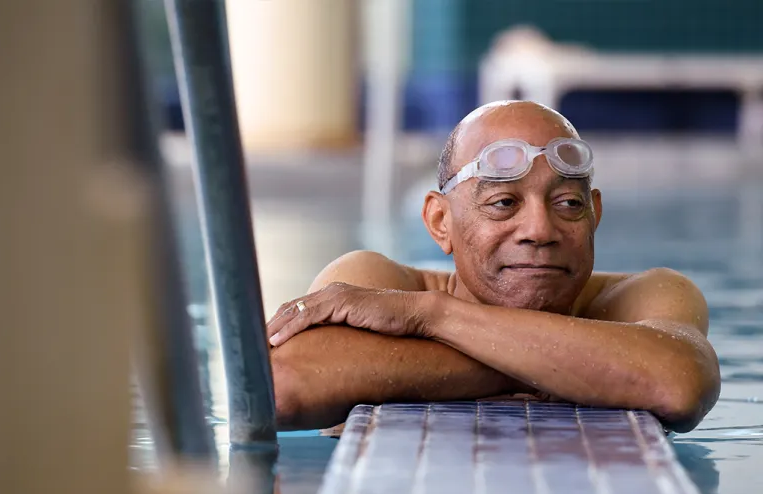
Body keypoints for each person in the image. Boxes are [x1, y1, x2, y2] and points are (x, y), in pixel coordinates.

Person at [266, 100, 720, 433]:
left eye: (567, 203)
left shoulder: (647, 293)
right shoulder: (375, 280)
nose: (540, 230)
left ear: (594, 216)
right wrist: (576, 368)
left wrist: (432, 317)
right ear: (440, 222)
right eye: (504, 203)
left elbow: (680, 383)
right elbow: (279, 388)